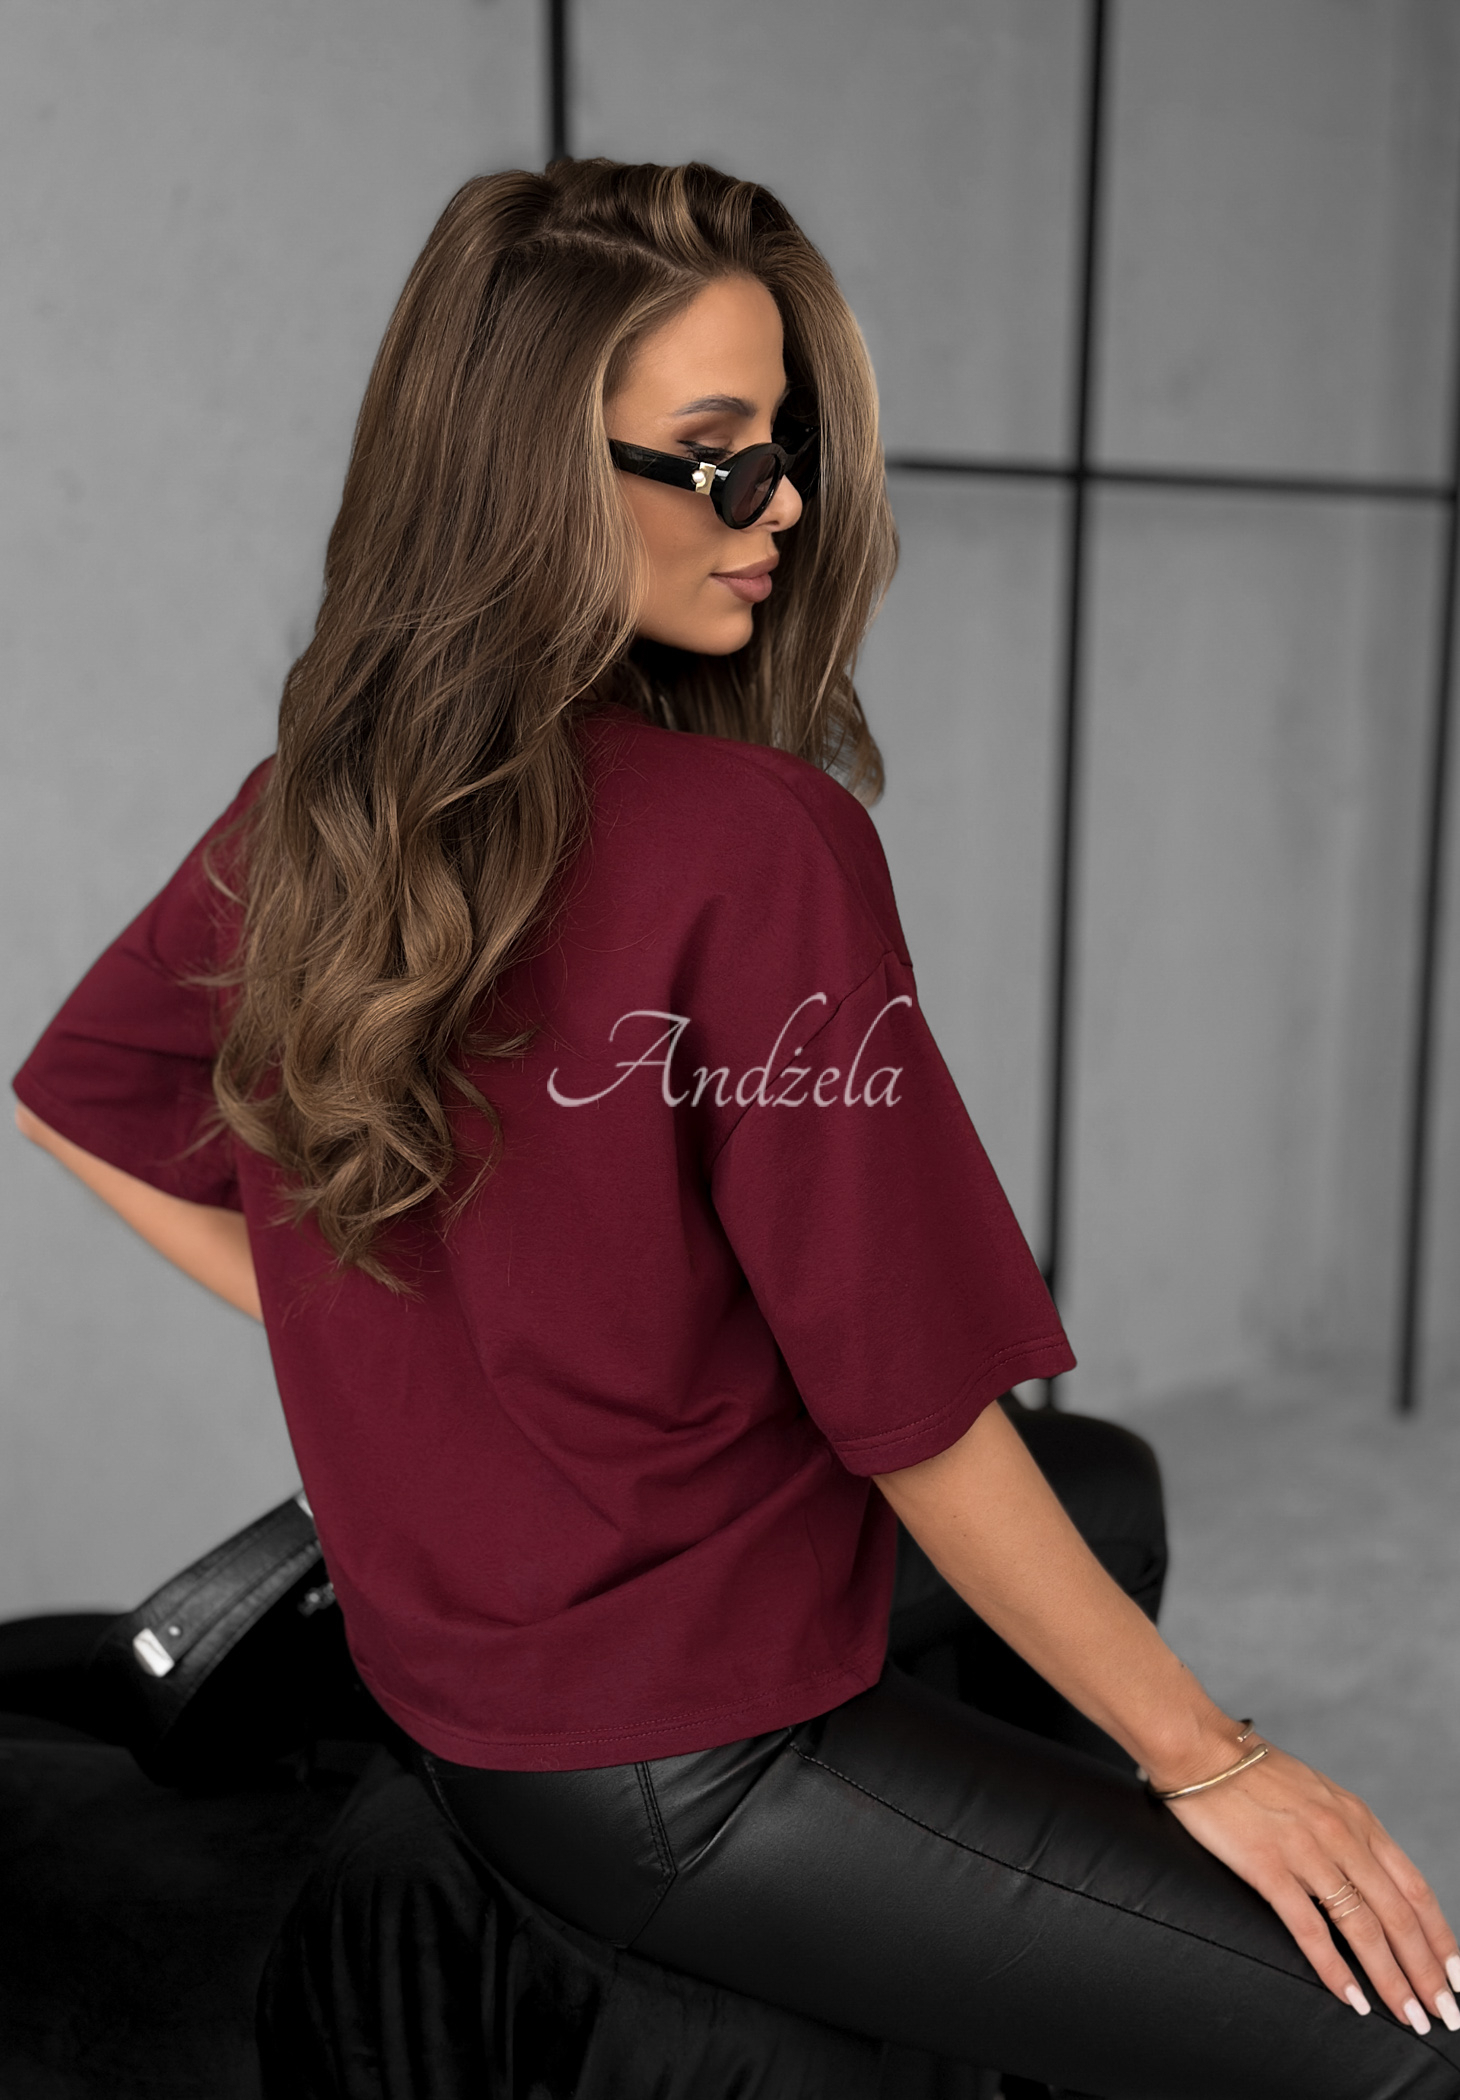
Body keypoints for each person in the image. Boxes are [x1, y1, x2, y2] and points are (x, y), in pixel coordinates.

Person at [12, 157, 1460, 2099]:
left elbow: (78, 1098)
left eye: (787, 452)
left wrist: (419, 1341)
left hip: (477, 1686)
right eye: (717, 458)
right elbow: (914, 1411)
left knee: (1102, 1486)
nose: (779, 507)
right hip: (677, 1763)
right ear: (530, 476)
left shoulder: (315, 810)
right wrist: (1215, 1763)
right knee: (1399, 2043)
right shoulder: (760, 848)